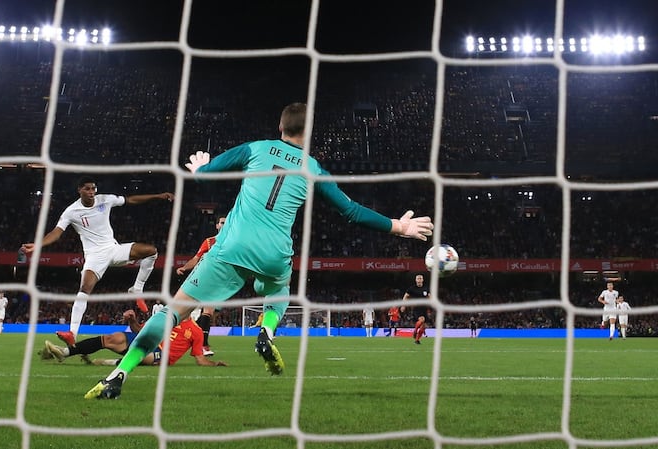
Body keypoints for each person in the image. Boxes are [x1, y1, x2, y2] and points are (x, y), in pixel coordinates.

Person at [84, 102, 433, 399]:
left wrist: (199, 168)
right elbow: (351, 212)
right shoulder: (313, 168)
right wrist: (400, 226)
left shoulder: (255, 148)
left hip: (232, 247)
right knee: (277, 292)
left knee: (172, 312)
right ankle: (266, 330)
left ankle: (120, 374)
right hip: (275, 252)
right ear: (307, 132)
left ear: (280, 126)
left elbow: (206, 177)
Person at [21, 175, 174, 347]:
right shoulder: (71, 211)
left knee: (151, 251)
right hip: (94, 256)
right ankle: (72, 334)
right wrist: (37, 245)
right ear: (79, 190)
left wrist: (158, 196)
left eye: (93, 188)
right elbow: (57, 232)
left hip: (114, 249)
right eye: (87, 188)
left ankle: (136, 288)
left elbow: (130, 200)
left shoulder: (105, 200)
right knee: (84, 289)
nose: (92, 192)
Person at [44, 310, 227, 368]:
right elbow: (141, 330)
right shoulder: (168, 316)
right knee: (111, 338)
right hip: (149, 341)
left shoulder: (195, 330)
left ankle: (108, 362)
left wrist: (215, 364)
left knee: (141, 355)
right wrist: (132, 320)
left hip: (162, 355)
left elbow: (200, 359)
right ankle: (64, 352)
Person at [176, 214, 227, 356]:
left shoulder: (233, 242)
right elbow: (196, 258)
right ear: (217, 226)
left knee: (207, 314)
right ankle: (203, 346)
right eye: (222, 222)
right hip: (204, 278)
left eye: (226, 223)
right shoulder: (210, 242)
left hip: (220, 282)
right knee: (204, 312)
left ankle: (198, 342)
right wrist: (184, 268)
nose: (224, 225)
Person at [401, 274, 431, 345]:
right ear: (416, 280)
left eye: (421, 278)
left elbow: (430, 297)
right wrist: (403, 305)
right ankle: (415, 331)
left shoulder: (426, 288)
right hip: (416, 308)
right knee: (421, 320)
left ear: (422, 280)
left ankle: (417, 340)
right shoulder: (412, 289)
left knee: (424, 326)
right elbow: (405, 296)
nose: (419, 280)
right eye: (418, 278)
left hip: (424, 308)